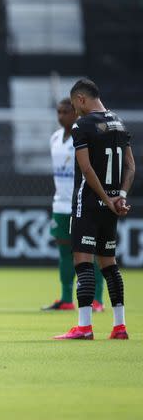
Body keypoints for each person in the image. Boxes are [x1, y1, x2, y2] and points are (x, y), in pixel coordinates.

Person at [55, 79, 134, 340]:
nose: (75, 111)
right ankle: (119, 326)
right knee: (110, 265)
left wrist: (104, 198)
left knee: (83, 263)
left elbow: (86, 170)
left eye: (75, 105)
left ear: (80, 99)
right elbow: (131, 167)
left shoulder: (83, 125)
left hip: (87, 204)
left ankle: (85, 327)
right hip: (111, 206)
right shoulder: (119, 123)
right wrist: (118, 197)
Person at [42, 99, 105, 312]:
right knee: (64, 251)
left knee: (90, 251)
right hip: (60, 203)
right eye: (58, 112)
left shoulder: (84, 136)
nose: (61, 116)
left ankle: (97, 299)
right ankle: (66, 299)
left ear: (75, 113)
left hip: (82, 203)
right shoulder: (54, 138)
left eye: (65, 111)